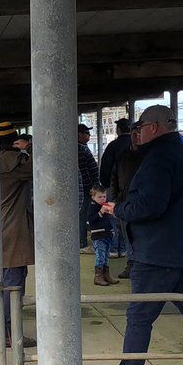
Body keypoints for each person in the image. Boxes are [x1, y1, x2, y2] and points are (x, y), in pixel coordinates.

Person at [97, 105, 183, 365]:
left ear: (155, 128)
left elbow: (149, 206)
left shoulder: (158, 159)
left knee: (140, 318)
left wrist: (117, 209)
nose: (136, 133)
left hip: (157, 255)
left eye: (140, 127)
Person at [0, 122, 37, 348]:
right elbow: (41, 165)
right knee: (13, 286)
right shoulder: (11, 162)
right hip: (10, 231)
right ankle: (10, 334)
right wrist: (29, 147)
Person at [111, 123, 147, 278]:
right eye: (134, 133)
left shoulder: (151, 155)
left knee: (143, 236)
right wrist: (114, 199)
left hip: (143, 204)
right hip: (124, 202)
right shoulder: (122, 156)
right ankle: (131, 263)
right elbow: (113, 177)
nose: (136, 136)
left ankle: (141, 265)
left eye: (140, 133)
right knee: (127, 235)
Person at [100, 118, 133, 258]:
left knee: (113, 217)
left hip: (114, 187)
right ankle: (126, 249)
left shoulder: (113, 146)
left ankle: (113, 248)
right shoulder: (135, 144)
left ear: (118, 130)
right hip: (131, 189)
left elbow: (105, 167)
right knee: (127, 218)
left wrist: (105, 185)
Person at [88, 184, 119, 286]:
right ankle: (98, 276)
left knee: (106, 256)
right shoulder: (92, 207)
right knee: (100, 256)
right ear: (93, 197)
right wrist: (101, 212)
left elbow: (108, 220)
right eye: (99, 197)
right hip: (98, 235)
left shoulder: (104, 206)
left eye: (104, 196)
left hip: (107, 234)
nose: (102, 199)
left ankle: (106, 275)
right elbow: (91, 220)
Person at [76, 123, 99, 252]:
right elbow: (90, 170)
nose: (89, 136)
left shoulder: (76, 148)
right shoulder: (82, 149)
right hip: (84, 187)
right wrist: (94, 185)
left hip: (80, 187)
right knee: (82, 214)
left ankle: (80, 240)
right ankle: (81, 242)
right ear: (79, 135)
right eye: (86, 133)